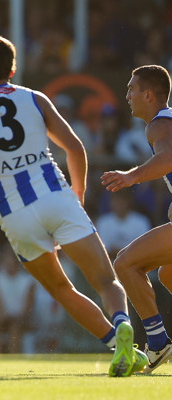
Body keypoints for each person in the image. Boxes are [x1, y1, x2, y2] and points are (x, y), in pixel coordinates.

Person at [0, 35, 146, 377]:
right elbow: (75, 149)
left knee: (62, 289)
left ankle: (116, 345)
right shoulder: (34, 98)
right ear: (13, 68)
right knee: (106, 280)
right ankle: (122, 322)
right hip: (55, 198)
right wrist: (76, 194)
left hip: (14, 214)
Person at [101, 64, 172, 373]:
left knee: (125, 263)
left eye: (131, 89)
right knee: (168, 274)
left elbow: (168, 159)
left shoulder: (158, 125)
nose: (127, 95)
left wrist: (131, 176)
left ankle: (157, 344)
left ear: (148, 94)